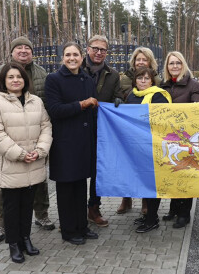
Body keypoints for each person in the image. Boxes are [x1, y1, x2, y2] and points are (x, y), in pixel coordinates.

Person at [0, 36, 55, 242]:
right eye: (18, 48)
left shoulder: (41, 73)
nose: (23, 51)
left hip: (35, 140)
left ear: (32, 52)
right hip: (8, 142)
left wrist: (43, 144)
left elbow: (45, 107)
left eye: (27, 48)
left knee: (39, 181)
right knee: (6, 187)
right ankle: (2, 225)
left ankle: (41, 215)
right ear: (11, 52)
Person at [44, 42, 99, 245]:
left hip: (84, 142)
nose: (72, 58)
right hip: (65, 143)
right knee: (66, 189)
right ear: (62, 58)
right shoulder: (54, 79)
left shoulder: (87, 79)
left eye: (76, 54)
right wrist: (82, 104)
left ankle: (82, 227)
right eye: (68, 55)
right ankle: (68, 230)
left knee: (80, 187)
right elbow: (55, 110)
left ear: (82, 57)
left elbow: (94, 112)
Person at [81, 35, 124, 227]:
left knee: (97, 171)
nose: (99, 53)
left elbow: (117, 95)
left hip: (101, 130)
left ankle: (94, 208)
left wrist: (119, 100)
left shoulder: (113, 75)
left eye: (103, 50)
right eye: (95, 48)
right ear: (87, 49)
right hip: (78, 128)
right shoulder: (76, 69)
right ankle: (75, 210)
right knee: (78, 170)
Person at [159, 51, 199, 229]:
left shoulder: (193, 84)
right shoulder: (162, 86)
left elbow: (197, 107)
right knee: (171, 171)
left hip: (185, 137)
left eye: (178, 63)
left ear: (183, 64)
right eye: (171, 63)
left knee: (185, 175)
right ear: (167, 67)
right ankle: (173, 208)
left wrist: (193, 106)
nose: (175, 66)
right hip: (169, 136)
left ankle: (184, 214)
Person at [117, 47, 162, 215]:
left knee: (145, 167)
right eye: (138, 59)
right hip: (128, 130)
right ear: (133, 62)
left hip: (147, 132)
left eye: (145, 59)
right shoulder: (124, 79)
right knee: (127, 165)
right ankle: (126, 198)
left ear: (150, 62)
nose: (141, 62)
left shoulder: (157, 80)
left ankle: (145, 201)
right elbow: (120, 96)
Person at [127, 67, 172, 233]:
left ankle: (153, 218)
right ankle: (147, 216)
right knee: (144, 182)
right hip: (137, 147)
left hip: (153, 146)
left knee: (154, 184)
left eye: (147, 78)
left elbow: (164, 119)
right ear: (135, 80)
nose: (143, 81)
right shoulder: (131, 95)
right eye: (140, 78)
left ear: (152, 80)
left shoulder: (158, 95)